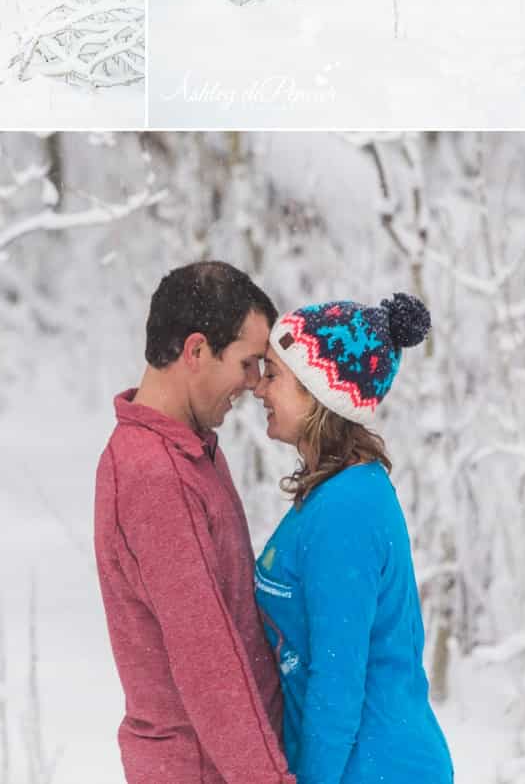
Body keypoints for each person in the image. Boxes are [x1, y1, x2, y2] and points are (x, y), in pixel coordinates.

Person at [94, 261, 296, 784]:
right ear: (197, 350)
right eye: (249, 363)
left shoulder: (189, 452)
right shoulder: (153, 474)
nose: (255, 384)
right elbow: (207, 664)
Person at [253, 294, 454, 784]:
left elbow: (337, 683)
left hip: (377, 768)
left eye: (273, 374)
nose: (258, 388)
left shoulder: (346, 510)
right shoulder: (335, 495)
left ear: (316, 394)